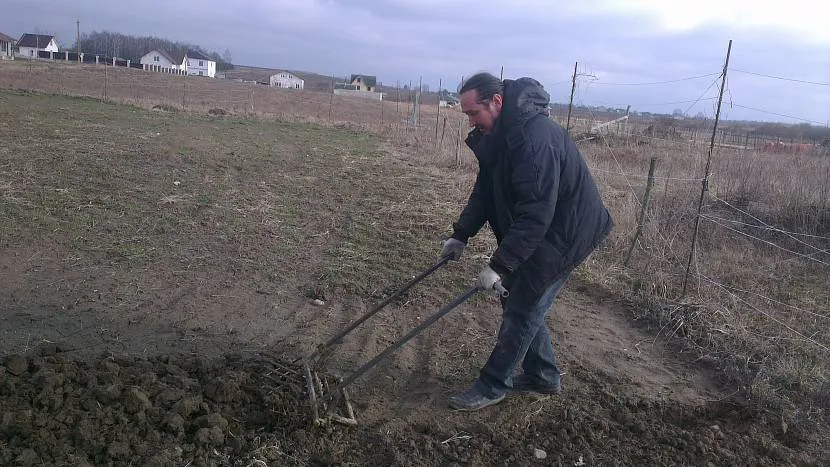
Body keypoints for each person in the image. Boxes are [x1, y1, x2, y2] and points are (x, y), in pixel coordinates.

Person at [440, 72, 614, 411]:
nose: (471, 122)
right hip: (543, 229)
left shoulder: (533, 140)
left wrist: (500, 266)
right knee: (518, 301)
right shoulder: (499, 135)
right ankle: (543, 375)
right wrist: (461, 234)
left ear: (498, 102)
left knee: (522, 307)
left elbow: (536, 215)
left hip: (566, 233)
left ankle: (493, 385)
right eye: (467, 115)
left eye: (474, 113)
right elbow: (485, 191)